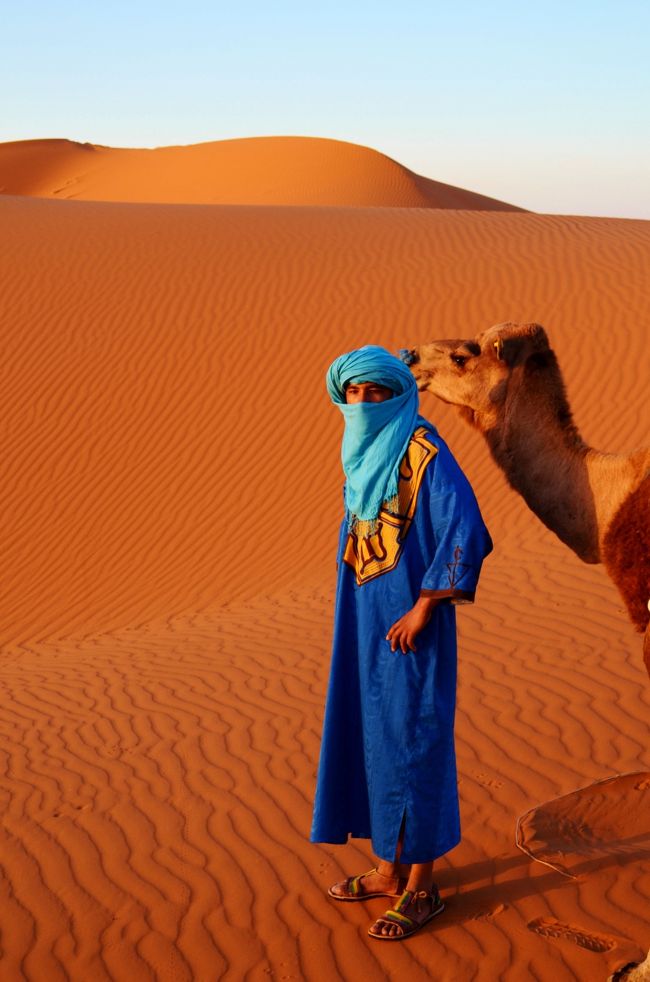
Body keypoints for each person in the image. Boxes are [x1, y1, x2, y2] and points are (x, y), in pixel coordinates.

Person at [310, 344, 492, 941]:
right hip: (362, 625)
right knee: (372, 736)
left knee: (413, 740)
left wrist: (423, 606)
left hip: (412, 627)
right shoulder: (361, 455)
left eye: (377, 392)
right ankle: (388, 868)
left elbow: (465, 526)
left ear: (398, 394)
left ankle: (422, 887)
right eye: (354, 393)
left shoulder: (422, 450)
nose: (363, 402)